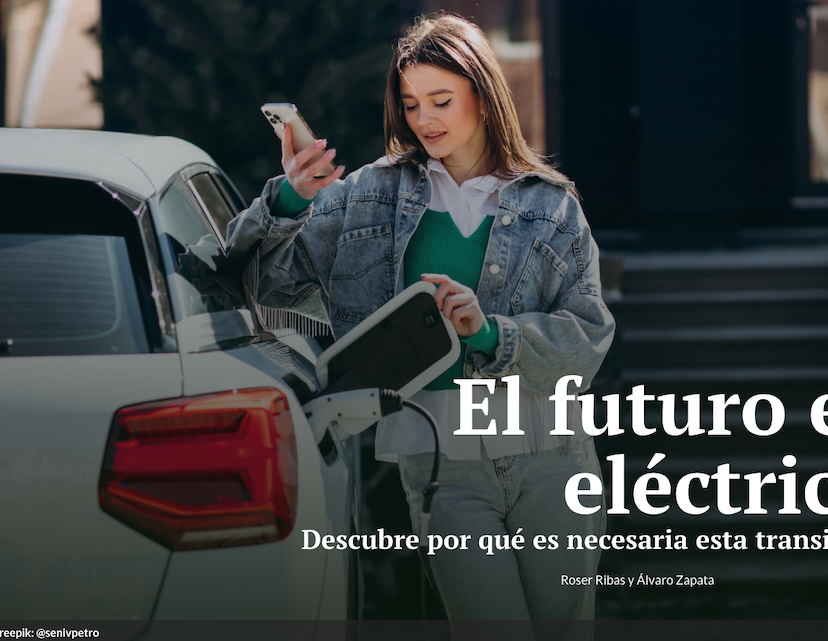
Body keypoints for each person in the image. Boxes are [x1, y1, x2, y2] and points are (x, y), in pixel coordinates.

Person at [225, 14, 614, 629]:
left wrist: (489, 334)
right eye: (410, 105)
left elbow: (588, 336)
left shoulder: (551, 203)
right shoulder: (367, 195)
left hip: (552, 459)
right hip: (442, 465)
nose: (424, 120)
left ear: (483, 100)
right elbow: (255, 282)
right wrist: (292, 199)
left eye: (441, 100)